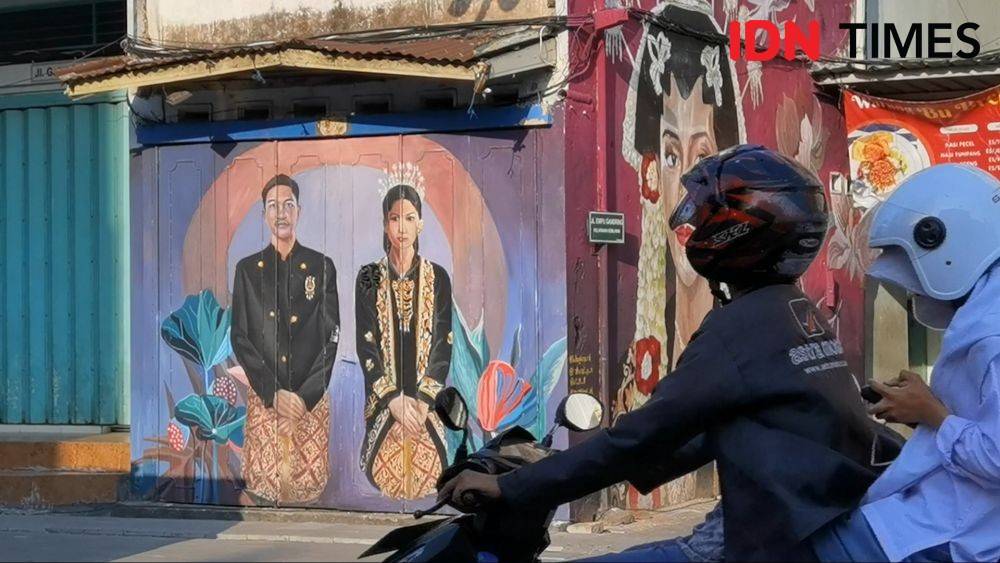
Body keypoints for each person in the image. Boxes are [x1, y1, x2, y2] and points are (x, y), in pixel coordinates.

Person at [439, 145, 891, 562]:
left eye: (706, 211)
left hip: (758, 540)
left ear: (735, 229)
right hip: (804, 527)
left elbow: (644, 434)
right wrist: (564, 467)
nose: (691, 223)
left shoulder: (741, 329)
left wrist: (508, 486)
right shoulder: (793, 313)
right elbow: (703, 432)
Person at [807, 163, 1000, 563]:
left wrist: (932, 414)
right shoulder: (986, 312)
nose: (912, 287)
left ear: (945, 246)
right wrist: (922, 409)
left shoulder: (991, 335)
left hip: (949, 532)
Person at [230, 173, 340, 505]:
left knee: (307, 493)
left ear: (299, 211)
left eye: (288, 205)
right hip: (266, 401)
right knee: (266, 488)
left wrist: (303, 398)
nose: (281, 213)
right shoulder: (248, 270)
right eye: (273, 206)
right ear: (264, 213)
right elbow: (240, 336)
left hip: (310, 401)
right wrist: (273, 392)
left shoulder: (321, 266)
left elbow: (331, 338)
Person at [356, 175, 453, 501]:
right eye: (394, 218)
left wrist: (424, 401)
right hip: (386, 403)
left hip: (426, 403)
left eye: (409, 218)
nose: (402, 227)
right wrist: (392, 400)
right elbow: (366, 344)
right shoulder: (368, 276)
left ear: (420, 224)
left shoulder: (437, 276)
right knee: (384, 473)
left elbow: (443, 342)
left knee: (433, 470)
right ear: (385, 225)